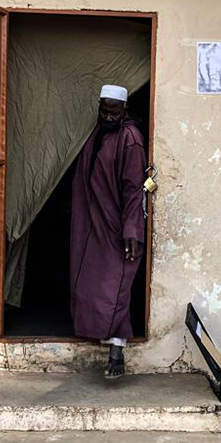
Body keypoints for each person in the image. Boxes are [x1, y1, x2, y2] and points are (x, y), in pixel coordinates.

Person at [70, 84, 147, 379]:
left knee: (115, 283)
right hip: (92, 221)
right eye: (104, 110)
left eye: (113, 111)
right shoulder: (97, 133)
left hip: (117, 224)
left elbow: (133, 190)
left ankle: (117, 350)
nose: (107, 116)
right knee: (92, 281)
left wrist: (132, 229)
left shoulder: (130, 139)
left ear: (124, 110)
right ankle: (100, 333)